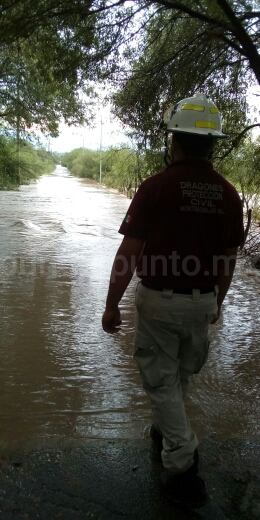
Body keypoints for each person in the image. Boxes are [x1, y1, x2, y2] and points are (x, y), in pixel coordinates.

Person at [102, 93, 244, 508]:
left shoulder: (156, 187)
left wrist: (112, 305)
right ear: (212, 143)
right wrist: (217, 300)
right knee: (180, 375)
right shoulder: (229, 194)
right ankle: (165, 432)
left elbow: (129, 253)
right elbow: (229, 260)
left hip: (160, 301)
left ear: (174, 140)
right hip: (202, 301)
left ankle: (183, 467)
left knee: (160, 379)